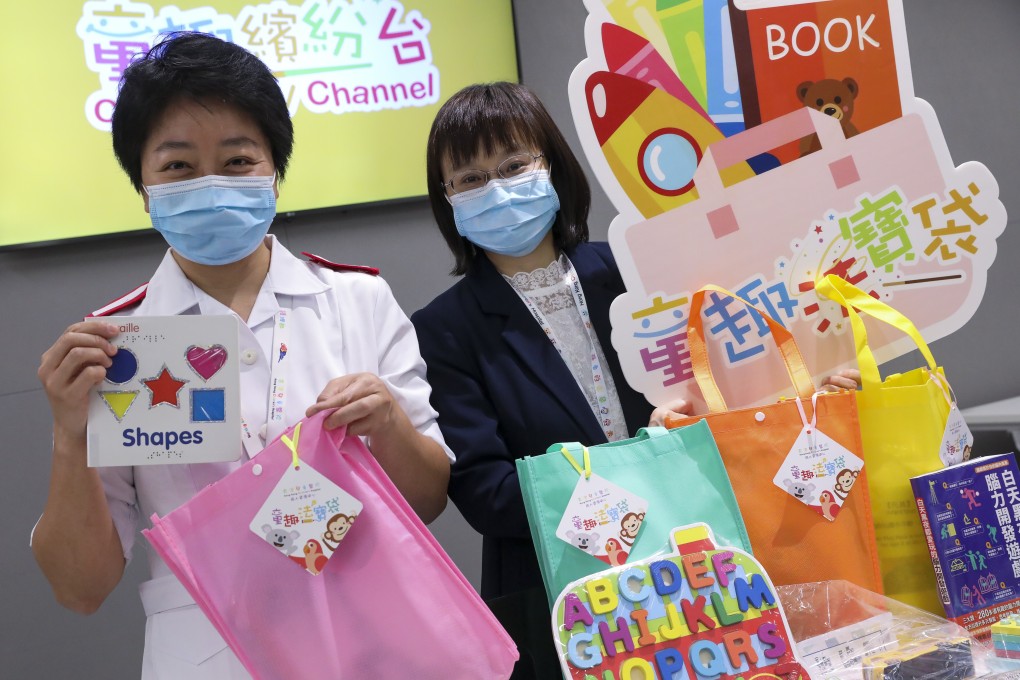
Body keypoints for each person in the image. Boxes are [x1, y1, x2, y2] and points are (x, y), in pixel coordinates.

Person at [31, 33, 451, 678]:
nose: (210, 183)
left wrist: (389, 424)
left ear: (274, 172)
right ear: (143, 188)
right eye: (177, 166)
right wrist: (69, 434)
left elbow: (426, 499)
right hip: (210, 653)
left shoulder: (356, 300)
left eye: (237, 160)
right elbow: (81, 589)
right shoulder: (115, 349)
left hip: (370, 640)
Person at [410, 82, 688, 676]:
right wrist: (634, 488)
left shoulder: (631, 270)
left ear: (554, 168)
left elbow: (710, 387)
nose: (496, 189)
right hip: (562, 597)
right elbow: (487, 492)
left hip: (690, 557)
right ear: (448, 200)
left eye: (514, 166)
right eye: (470, 179)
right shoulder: (442, 329)